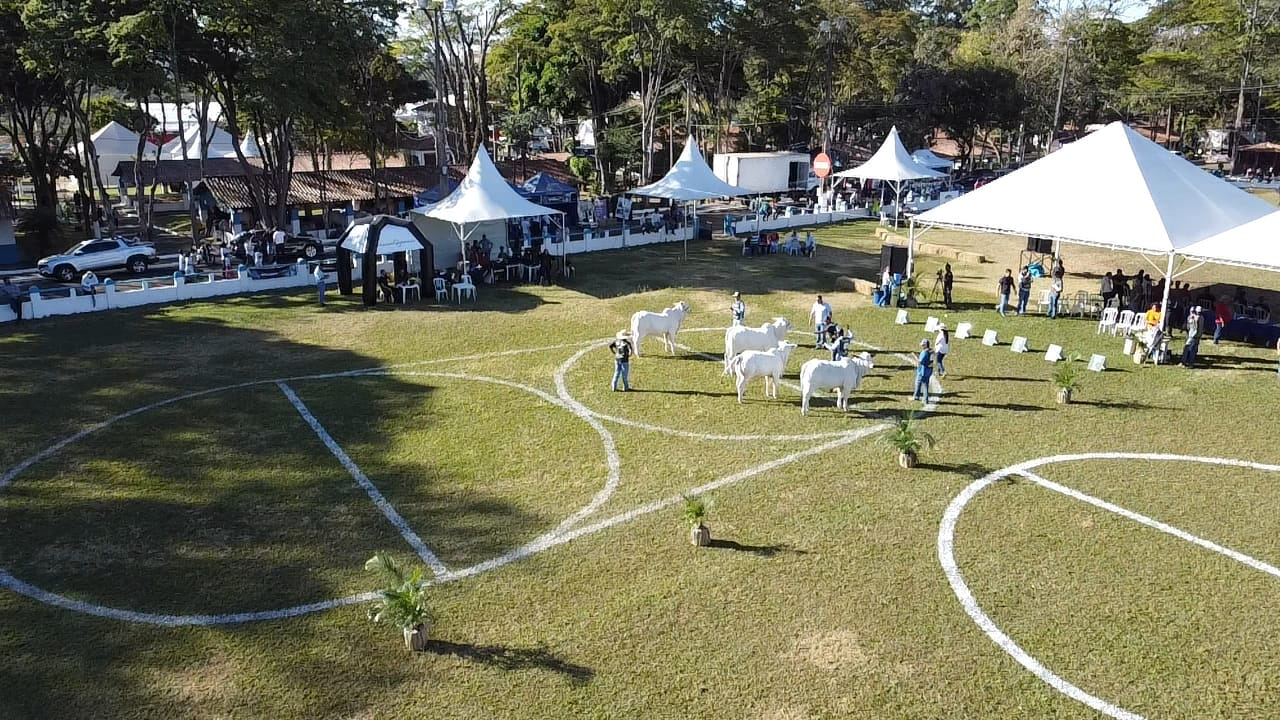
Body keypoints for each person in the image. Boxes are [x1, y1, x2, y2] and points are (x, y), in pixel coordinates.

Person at [912, 339, 934, 404]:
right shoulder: (931, 351)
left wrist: (914, 356)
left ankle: (918, 397)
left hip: (922, 371)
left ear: (925, 345)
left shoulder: (924, 352)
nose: (921, 346)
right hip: (929, 371)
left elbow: (920, 361)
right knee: (925, 385)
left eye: (922, 345)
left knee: (919, 384)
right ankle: (922, 398)